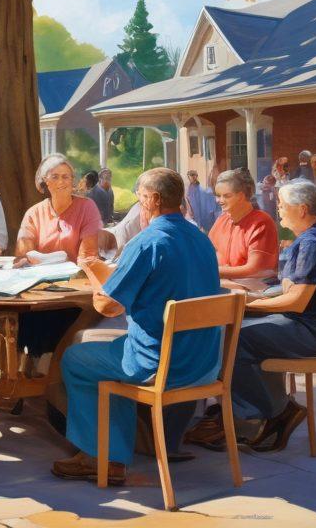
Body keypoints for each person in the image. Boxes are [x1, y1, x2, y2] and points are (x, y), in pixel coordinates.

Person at [52, 168, 222, 486]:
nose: (139, 206)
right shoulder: (200, 238)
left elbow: (106, 305)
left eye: (141, 199)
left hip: (160, 363)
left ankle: (102, 456)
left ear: (154, 200)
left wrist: (90, 268)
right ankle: (116, 447)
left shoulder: (148, 242)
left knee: (77, 359)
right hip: (204, 362)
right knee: (103, 349)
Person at [192, 180, 316, 454]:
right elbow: (294, 288)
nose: (277, 207)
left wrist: (246, 304)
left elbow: (297, 301)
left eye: (282, 203)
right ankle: (256, 411)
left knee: (234, 337)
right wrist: (258, 297)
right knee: (235, 332)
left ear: (302, 209)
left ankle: (270, 414)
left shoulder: (312, 242)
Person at [15, 154, 102, 360]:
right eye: (55, 177)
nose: (62, 182)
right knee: (26, 315)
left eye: (66, 177)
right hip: (38, 289)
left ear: (73, 180)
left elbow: (88, 254)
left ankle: (45, 370)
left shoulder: (87, 207)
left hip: (73, 289)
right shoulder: (34, 213)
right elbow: (22, 253)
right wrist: (30, 258)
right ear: (44, 181)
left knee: (57, 314)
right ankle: (25, 372)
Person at [209, 169, 279, 280]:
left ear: (241, 196)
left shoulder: (261, 223)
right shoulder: (221, 220)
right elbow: (207, 253)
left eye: (226, 196)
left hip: (254, 292)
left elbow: (254, 269)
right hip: (224, 287)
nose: (219, 200)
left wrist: (210, 271)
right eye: (218, 195)